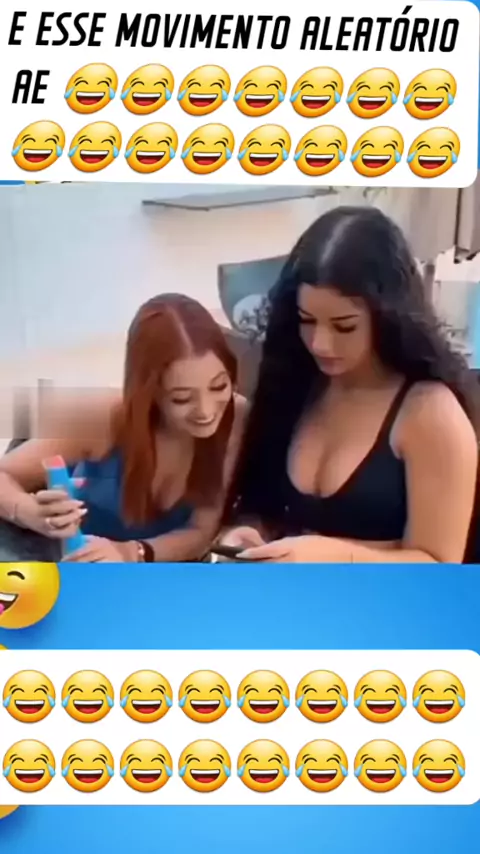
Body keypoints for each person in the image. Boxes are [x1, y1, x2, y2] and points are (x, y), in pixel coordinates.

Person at [221, 206, 478, 564]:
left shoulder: (429, 413)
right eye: (306, 320)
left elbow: (439, 565)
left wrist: (337, 556)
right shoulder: (293, 384)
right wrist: (245, 534)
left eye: (344, 326)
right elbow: (262, 507)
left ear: (387, 315)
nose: (320, 344)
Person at [0, 294, 246, 562]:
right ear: (148, 392)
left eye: (219, 386)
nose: (206, 411)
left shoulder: (236, 416)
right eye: (181, 398)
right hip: (69, 561)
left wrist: (131, 552)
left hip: (159, 569)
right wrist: (29, 512)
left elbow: (200, 533)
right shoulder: (102, 417)